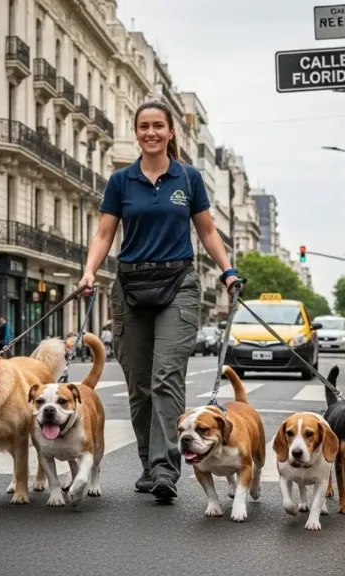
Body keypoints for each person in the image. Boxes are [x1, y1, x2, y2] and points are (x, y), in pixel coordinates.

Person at [78, 99, 239, 503]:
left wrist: (228, 270)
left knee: (166, 377)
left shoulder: (189, 178)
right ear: (137, 132)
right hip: (130, 284)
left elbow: (206, 230)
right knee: (139, 385)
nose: (151, 132)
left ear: (170, 133)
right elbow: (103, 234)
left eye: (158, 126)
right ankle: (150, 465)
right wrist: (88, 271)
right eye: (143, 126)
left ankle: (168, 468)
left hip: (178, 282)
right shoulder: (120, 181)